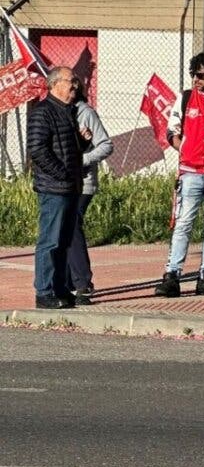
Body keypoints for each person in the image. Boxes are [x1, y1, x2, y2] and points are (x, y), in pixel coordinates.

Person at [154, 53, 204, 298]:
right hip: (190, 171)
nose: (195, 80)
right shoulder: (186, 97)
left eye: (200, 75)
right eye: (193, 74)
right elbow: (172, 129)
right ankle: (172, 275)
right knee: (183, 224)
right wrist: (184, 146)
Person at [27, 66, 84, 310]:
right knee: (50, 242)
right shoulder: (43, 112)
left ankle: (60, 287)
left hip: (70, 187)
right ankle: (44, 291)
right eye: (71, 81)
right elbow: (38, 150)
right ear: (55, 84)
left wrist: (84, 140)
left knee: (64, 242)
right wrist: (61, 173)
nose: (75, 86)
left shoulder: (68, 111)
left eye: (76, 82)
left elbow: (67, 148)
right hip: (54, 188)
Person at [66, 76, 113, 305]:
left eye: (72, 86)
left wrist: (82, 160)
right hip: (61, 181)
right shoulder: (55, 111)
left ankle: (83, 283)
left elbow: (106, 144)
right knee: (63, 227)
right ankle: (66, 281)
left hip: (83, 182)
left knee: (73, 224)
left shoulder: (86, 112)